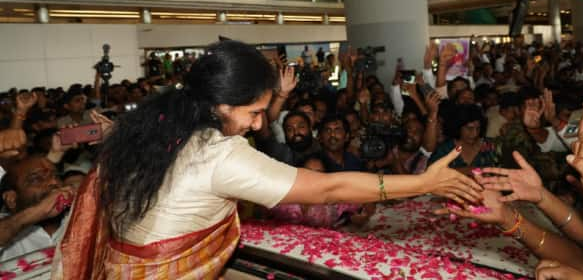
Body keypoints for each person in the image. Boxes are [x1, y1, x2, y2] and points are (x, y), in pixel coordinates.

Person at [53, 40, 481, 278]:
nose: (261, 125)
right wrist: (424, 184)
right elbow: (329, 188)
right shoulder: (220, 154)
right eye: (255, 112)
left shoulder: (159, 124)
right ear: (220, 103)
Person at [0, 154, 75, 262]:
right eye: (36, 179)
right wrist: (40, 210)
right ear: (11, 199)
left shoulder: (75, 219)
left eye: (56, 176)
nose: (54, 183)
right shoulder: (6, 227)